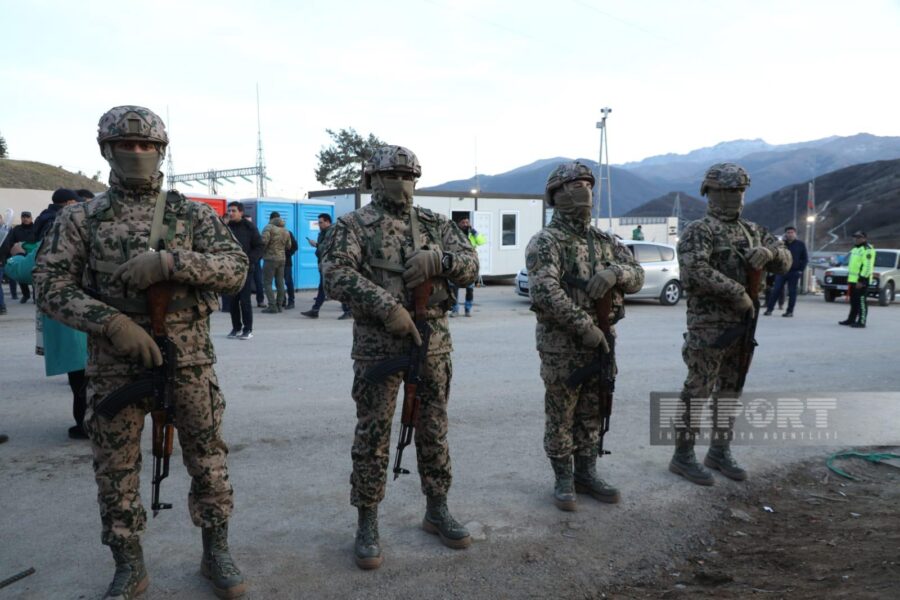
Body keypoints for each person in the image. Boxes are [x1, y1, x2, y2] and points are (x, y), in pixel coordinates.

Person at [32, 105, 248, 599]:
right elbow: (49, 283)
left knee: (208, 460)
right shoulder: (81, 217)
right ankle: (129, 563)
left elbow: (235, 269)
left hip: (188, 360)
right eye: (126, 145)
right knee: (115, 469)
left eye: (146, 146)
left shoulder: (190, 214)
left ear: (161, 151)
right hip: (114, 365)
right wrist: (110, 323)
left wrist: (173, 261)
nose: (137, 153)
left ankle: (216, 550)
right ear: (107, 149)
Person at [321, 145, 479, 570]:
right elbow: (335, 274)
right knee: (373, 437)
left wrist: (441, 260)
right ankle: (368, 521)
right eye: (393, 174)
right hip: (379, 347)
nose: (402, 182)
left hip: (433, 343)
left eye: (409, 175)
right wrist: (385, 306)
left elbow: (471, 265)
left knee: (433, 429)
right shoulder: (353, 225)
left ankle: (437, 508)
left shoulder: (435, 222)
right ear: (372, 178)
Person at [525, 161, 644, 511]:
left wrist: (614, 272)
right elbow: (545, 291)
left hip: (604, 341)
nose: (583, 189)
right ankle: (564, 477)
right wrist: (584, 326)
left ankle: (587, 472)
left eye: (587, 183)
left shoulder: (606, 241)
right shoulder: (546, 241)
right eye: (573, 184)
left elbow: (637, 275)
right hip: (563, 345)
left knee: (594, 409)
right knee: (562, 413)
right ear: (555, 195)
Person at [670, 163, 791, 486]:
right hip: (709, 325)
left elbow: (785, 258)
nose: (732, 198)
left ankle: (719, 451)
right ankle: (682, 456)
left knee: (730, 390)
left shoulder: (754, 230)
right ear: (709, 193)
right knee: (698, 390)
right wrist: (736, 292)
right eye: (724, 191)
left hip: (745, 324)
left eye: (737, 191)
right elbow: (694, 269)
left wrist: (768, 253)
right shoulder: (701, 230)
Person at [7, 188, 90, 439]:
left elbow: (24, 270)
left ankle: (85, 424)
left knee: (81, 376)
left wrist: (15, 256)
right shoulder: (103, 230)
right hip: (106, 314)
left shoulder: (57, 234)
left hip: (70, 315)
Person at [225, 201, 263, 339]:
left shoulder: (249, 227)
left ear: (241, 212)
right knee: (233, 301)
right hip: (230, 269)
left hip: (246, 269)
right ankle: (236, 328)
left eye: (233, 211)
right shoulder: (226, 227)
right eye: (229, 211)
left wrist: (248, 260)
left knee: (244, 300)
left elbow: (259, 246)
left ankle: (248, 330)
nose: (231, 213)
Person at [302, 213, 351, 319]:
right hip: (325, 263)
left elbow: (328, 248)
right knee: (323, 287)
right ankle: (315, 310)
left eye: (321, 222)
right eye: (318, 223)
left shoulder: (333, 231)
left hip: (333, 264)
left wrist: (316, 245)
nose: (319, 224)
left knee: (339, 287)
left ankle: (348, 310)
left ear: (327, 222)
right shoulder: (323, 232)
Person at [764, 226, 808, 317]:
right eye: (788, 232)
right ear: (785, 234)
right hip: (781, 271)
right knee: (776, 290)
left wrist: (800, 270)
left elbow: (805, 259)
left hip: (794, 272)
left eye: (792, 232)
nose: (790, 234)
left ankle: (790, 311)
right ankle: (769, 309)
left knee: (792, 292)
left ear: (795, 234)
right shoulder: (782, 244)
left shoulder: (800, 244)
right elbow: (774, 255)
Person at [449, 217, 486, 317]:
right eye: (463, 222)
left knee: (470, 289)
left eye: (467, 222)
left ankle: (467, 309)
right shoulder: (454, 234)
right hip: (457, 263)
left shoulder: (472, 234)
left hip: (470, 264)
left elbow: (482, 241)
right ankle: (455, 309)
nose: (465, 224)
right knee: (454, 288)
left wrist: (474, 232)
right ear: (458, 224)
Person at [840, 230, 875, 328]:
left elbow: (867, 266)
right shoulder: (855, 249)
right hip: (853, 280)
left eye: (859, 237)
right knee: (854, 301)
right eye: (855, 237)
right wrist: (850, 278)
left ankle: (862, 321)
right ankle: (851, 319)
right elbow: (853, 266)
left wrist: (862, 280)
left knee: (861, 301)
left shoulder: (867, 249)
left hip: (861, 281)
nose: (856, 239)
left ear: (864, 238)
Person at [0, 210, 37, 302]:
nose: (25, 219)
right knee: (20, 275)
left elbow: (39, 239)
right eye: (23, 217)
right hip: (20, 254)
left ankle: (35, 296)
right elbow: (10, 241)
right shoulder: (17, 229)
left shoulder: (36, 228)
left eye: (27, 217)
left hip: (32, 254)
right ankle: (26, 295)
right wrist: (15, 247)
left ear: (31, 218)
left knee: (34, 275)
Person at [260, 211, 290, 314]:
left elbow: (263, 241)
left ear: (270, 218)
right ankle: (279, 305)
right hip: (282, 259)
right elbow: (288, 246)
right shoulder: (285, 230)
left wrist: (263, 251)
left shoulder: (268, 228)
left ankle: (272, 306)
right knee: (280, 282)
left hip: (270, 259)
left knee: (267, 282)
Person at [283, 229, 298, 309]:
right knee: (279, 282)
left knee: (288, 282)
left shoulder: (287, 233)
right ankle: (282, 300)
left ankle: (291, 301)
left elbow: (295, 246)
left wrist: (287, 254)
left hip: (287, 262)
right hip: (276, 261)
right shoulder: (271, 232)